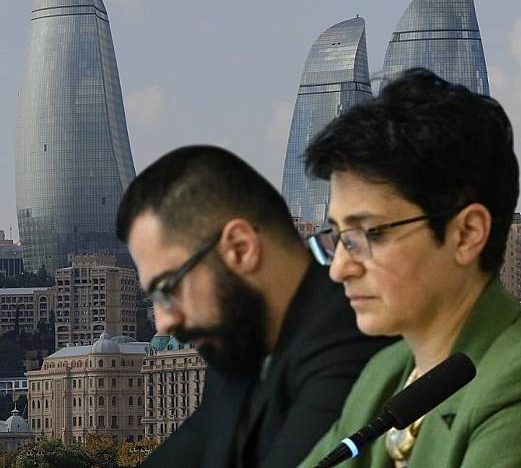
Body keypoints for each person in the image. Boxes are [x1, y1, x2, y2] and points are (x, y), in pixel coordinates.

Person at [299, 68, 521, 468]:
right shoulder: (385, 371)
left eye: (369, 234)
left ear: (466, 233)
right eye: (337, 238)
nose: (339, 269)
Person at [116, 146, 394, 468]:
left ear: (241, 247)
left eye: (168, 289)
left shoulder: (351, 334)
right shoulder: (239, 344)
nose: (163, 322)